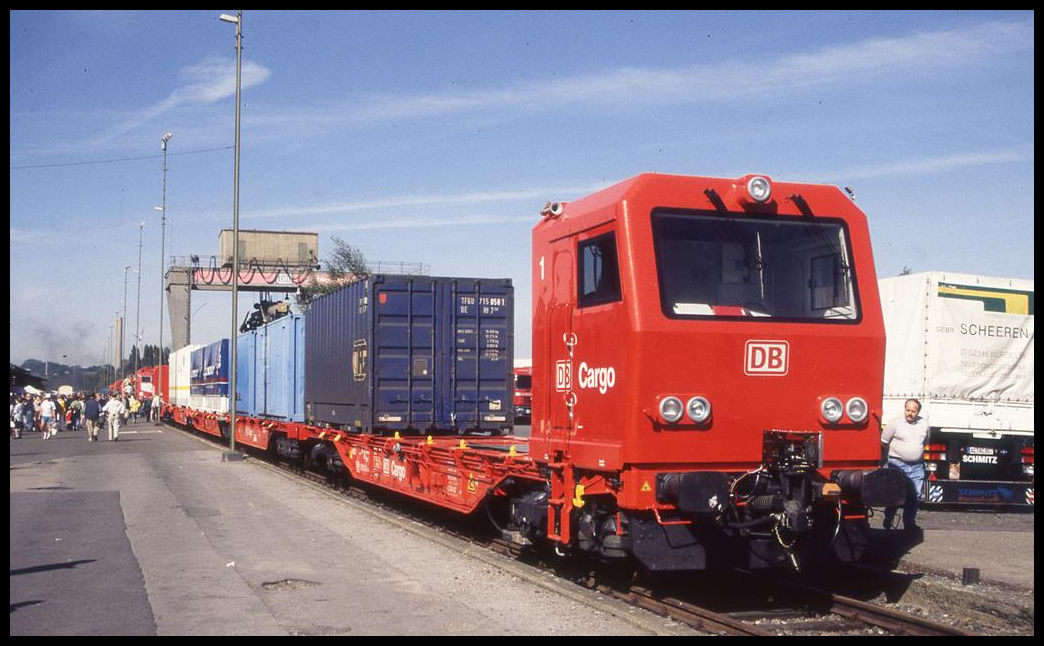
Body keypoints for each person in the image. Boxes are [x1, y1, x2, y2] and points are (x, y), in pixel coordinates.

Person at [881, 398, 930, 531]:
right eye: (908, 410)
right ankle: (888, 518)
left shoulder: (924, 424)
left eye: (913, 411)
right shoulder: (894, 423)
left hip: (916, 466)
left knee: (915, 495)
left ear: (918, 412)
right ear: (904, 409)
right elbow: (884, 442)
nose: (910, 413)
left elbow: (925, 442)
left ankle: (909, 523)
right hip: (897, 464)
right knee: (896, 495)